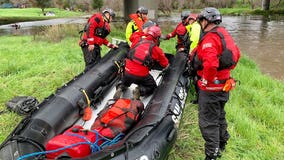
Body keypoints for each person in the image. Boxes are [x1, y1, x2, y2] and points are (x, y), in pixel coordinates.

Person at [192, 7, 240, 160]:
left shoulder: (210, 38)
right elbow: (236, 53)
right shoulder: (224, 33)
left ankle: (212, 154)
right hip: (224, 84)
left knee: (208, 121)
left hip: (212, 87)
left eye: (201, 21)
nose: (200, 24)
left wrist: (206, 81)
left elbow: (211, 64)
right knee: (219, 115)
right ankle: (222, 142)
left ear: (206, 21)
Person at [114, 25, 169, 100]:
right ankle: (139, 90)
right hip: (141, 75)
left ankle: (120, 87)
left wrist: (143, 33)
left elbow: (131, 36)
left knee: (125, 79)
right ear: (157, 37)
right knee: (152, 87)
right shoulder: (157, 49)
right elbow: (165, 64)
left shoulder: (137, 39)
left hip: (127, 70)